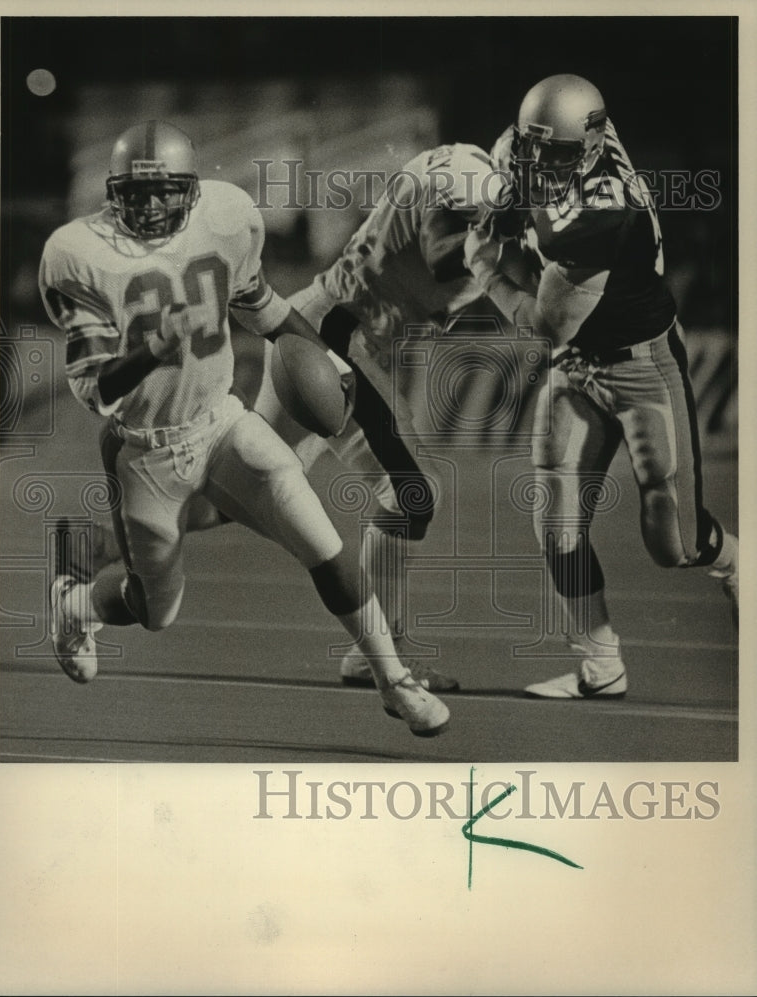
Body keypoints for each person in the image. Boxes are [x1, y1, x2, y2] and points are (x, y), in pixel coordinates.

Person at [38, 119, 450, 738]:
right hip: (145, 454)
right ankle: (74, 605)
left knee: (322, 540)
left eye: (166, 191)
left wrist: (328, 363)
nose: (151, 206)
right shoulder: (80, 254)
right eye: (136, 193)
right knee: (154, 610)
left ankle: (393, 681)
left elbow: (270, 312)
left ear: (194, 189)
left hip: (222, 423)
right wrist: (153, 350)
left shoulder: (225, 219)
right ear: (112, 192)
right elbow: (97, 388)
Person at [464, 73, 739, 698]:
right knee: (556, 525)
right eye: (535, 148)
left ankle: (738, 565)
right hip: (577, 370)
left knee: (675, 543)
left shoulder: (602, 214)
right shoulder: (542, 143)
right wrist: (506, 201)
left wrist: (486, 269)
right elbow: (521, 170)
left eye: (556, 155)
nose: (541, 164)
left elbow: (545, 323)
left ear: (589, 146)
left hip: (640, 364)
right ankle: (600, 664)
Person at [253, 140, 520, 691]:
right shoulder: (471, 182)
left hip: (331, 328)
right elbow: (442, 250)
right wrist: (513, 226)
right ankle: (379, 651)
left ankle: (92, 563)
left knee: (242, 482)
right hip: (335, 334)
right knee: (411, 492)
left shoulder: (480, 184)